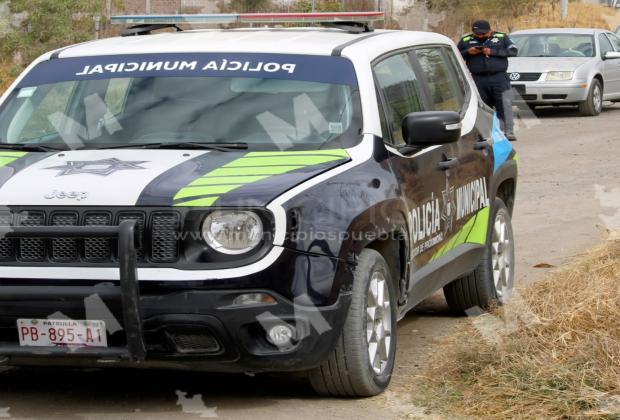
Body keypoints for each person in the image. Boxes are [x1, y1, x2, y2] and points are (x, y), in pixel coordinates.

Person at [458, 20, 518, 141]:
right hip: (478, 78)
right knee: (482, 106)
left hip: (499, 77)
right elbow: (455, 54)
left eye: (483, 34)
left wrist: (492, 52)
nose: (480, 36)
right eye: (477, 34)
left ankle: (508, 131)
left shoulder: (501, 37)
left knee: (504, 104)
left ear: (490, 30)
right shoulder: (465, 40)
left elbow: (513, 51)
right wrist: (467, 52)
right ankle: (487, 133)